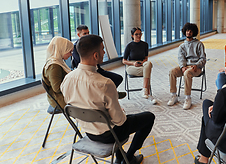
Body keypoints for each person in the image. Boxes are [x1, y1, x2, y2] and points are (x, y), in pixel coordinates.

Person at [61, 34, 155, 164]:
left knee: (111, 118)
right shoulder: (105, 83)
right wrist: (119, 112)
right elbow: (120, 121)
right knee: (149, 117)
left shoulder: (67, 79)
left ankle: (120, 157)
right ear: (95, 55)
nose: (104, 52)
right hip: (109, 135)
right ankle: (129, 156)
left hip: (88, 132)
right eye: (102, 49)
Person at [72, 25, 125, 99]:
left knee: (118, 78)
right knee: (107, 82)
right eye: (85, 33)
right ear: (78, 35)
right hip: (87, 71)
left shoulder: (92, 45)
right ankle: (110, 93)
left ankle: (110, 92)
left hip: (97, 69)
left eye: (88, 33)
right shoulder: (75, 48)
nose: (87, 35)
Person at [167, 23, 206, 110]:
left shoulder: (199, 44)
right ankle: (174, 95)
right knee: (172, 71)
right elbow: (181, 58)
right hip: (185, 66)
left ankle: (188, 98)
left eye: (191, 31)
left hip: (196, 67)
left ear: (193, 32)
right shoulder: (182, 46)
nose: (189, 32)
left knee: (187, 73)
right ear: (185, 32)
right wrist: (182, 67)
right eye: (187, 30)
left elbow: (203, 58)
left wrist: (197, 65)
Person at [122, 27, 157, 104]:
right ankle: (148, 93)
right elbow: (124, 61)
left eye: (140, 34)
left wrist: (142, 62)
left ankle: (144, 90)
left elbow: (146, 58)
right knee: (147, 71)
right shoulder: (129, 46)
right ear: (132, 35)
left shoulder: (145, 45)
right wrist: (133, 63)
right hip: (131, 66)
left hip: (142, 64)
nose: (138, 36)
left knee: (149, 64)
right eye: (136, 34)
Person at [42, 36, 73, 109]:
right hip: (59, 99)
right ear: (62, 50)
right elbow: (57, 88)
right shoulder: (54, 66)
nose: (71, 54)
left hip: (61, 96)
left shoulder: (58, 61)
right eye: (69, 52)